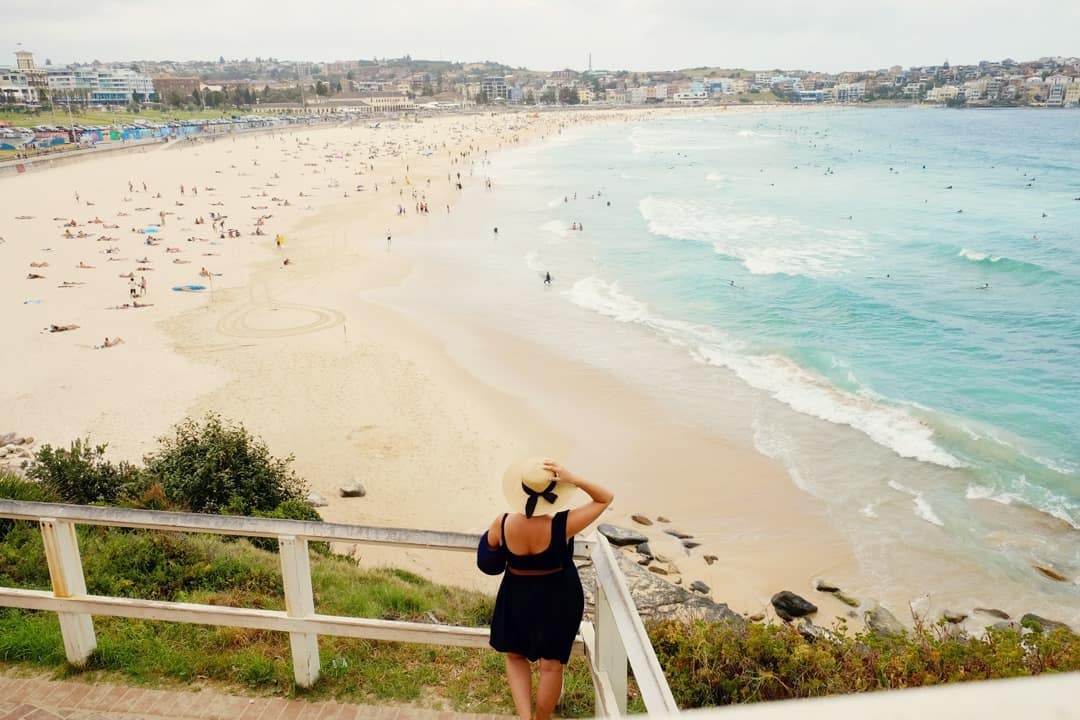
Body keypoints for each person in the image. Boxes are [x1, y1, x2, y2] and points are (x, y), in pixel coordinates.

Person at [485, 458, 613, 720]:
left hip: (517, 594)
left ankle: (524, 716)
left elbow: (488, 560)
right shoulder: (562, 526)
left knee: (515, 656)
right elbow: (604, 498)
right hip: (559, 596)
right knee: (552, 666)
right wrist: (572, 478)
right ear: (553, 494)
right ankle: (541, 719)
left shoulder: (502, 522)